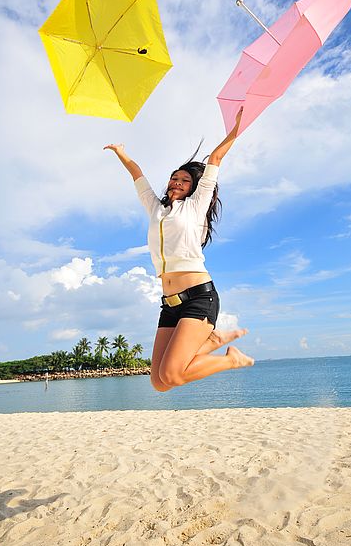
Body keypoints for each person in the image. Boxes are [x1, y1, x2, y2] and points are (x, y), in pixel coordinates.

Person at [104, 107, 254, 392]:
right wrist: (121, 152)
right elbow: (138, 177)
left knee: (172, 375)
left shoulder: (196, 207)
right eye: (174, 178)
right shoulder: (156, 209)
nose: (177, 182)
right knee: (159, 382)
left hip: (199, 297)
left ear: (193, 187)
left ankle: (230, 359)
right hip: (169, 303)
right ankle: (211, 342)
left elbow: (216, 158)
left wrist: (236, 128)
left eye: (185, 180)